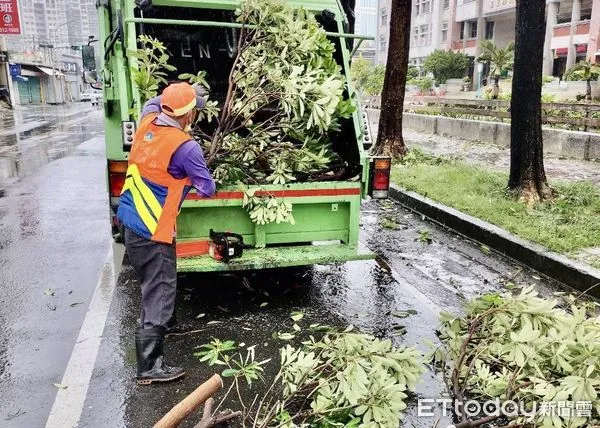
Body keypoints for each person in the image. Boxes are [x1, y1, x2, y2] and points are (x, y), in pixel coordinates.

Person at [117, 82, 216, 385]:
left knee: (154, 281)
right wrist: (190, 174)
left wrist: (186, 94)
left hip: (129, 217)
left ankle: (167, 325)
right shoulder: (185, 147)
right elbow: (207, 188)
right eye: (194, 110)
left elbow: (152, 100)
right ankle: (149, 366)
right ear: (188, 116)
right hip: (152, 228)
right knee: (159, 288)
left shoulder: (147, 121)